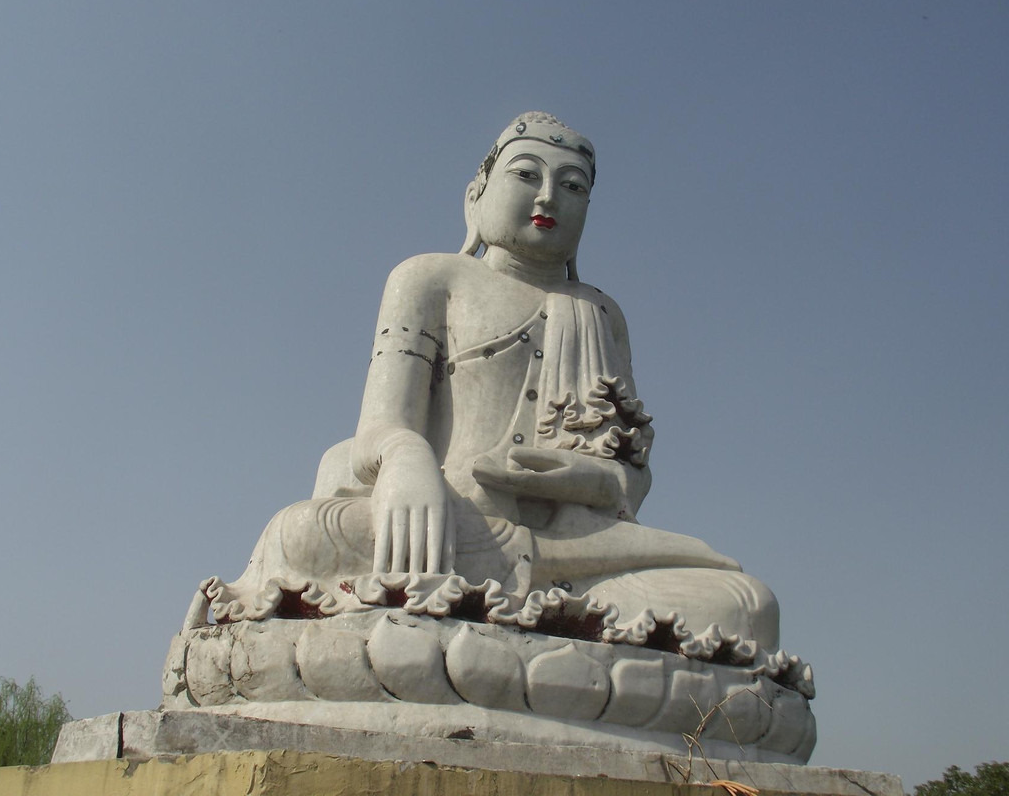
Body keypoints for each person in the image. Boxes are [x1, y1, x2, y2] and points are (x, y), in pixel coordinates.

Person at [214, 113, 780, 649]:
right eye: (527, 174)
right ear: (476, 195)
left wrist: (575, 474)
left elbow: (628, 482)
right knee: (303, 536)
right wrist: (407, 462)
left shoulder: (603, 316)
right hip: (448, 525)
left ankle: (514, 615)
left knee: (746, 605)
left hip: (576, 549)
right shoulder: (432, 278)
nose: (547, 197)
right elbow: (378, 429)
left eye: (573, 186)